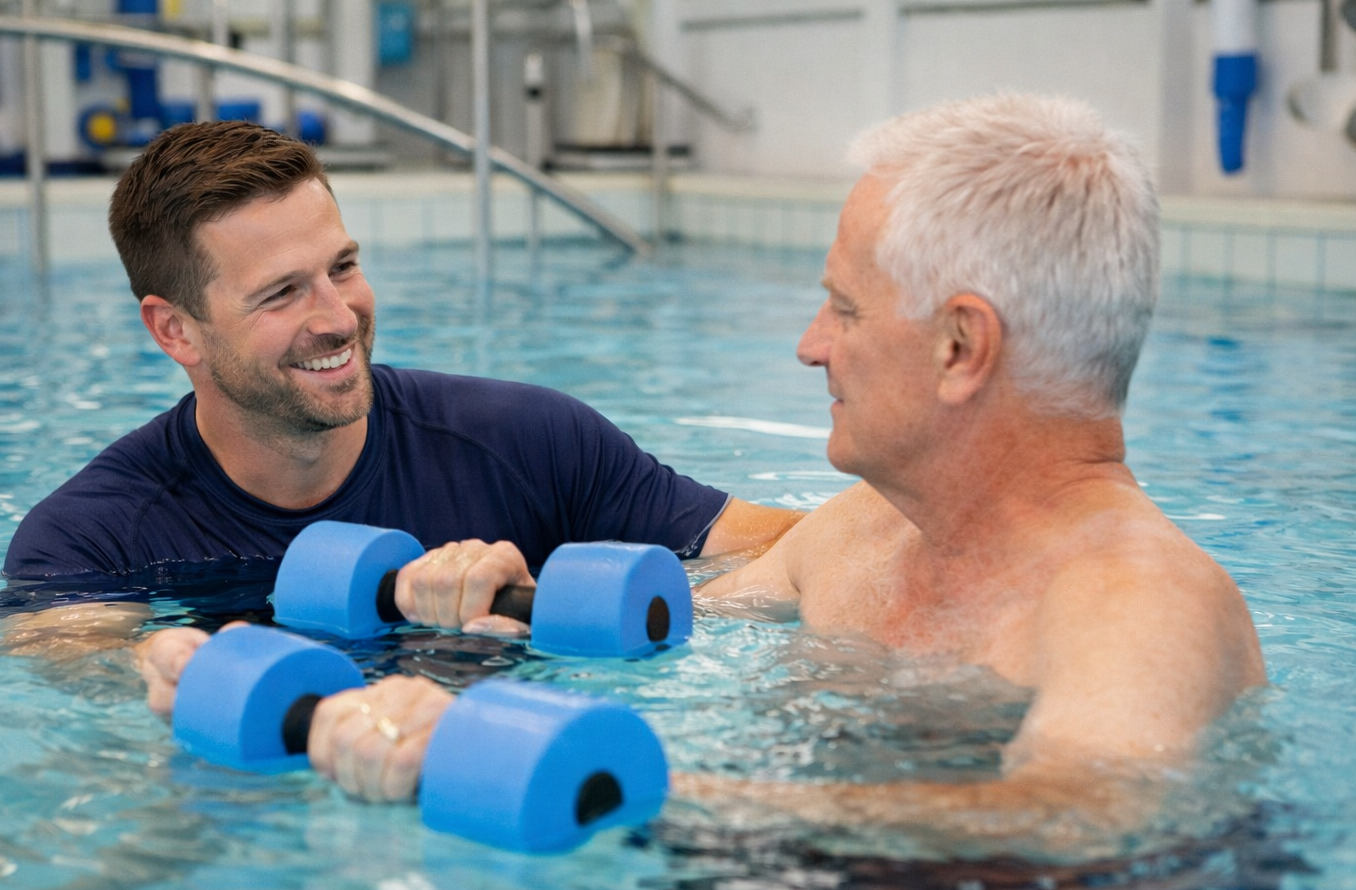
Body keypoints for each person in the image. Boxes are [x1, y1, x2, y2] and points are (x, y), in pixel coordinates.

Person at [285, 94, 1266, 835]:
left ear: (961, 347)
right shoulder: (862, 531)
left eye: (843, 308)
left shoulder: (1137, 605)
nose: (810, 344)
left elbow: (1067, 821)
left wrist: (587, 781)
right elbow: (662, 625)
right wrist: (494, 606)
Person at [0, 120, 800, 697]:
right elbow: (78, 681)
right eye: (282, 293)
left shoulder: (530, 444)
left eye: (341, 267)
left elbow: (811, 551)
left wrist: (557, 605)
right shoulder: (92, 542)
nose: (339, 317)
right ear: (175, 329)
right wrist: (168, 668)